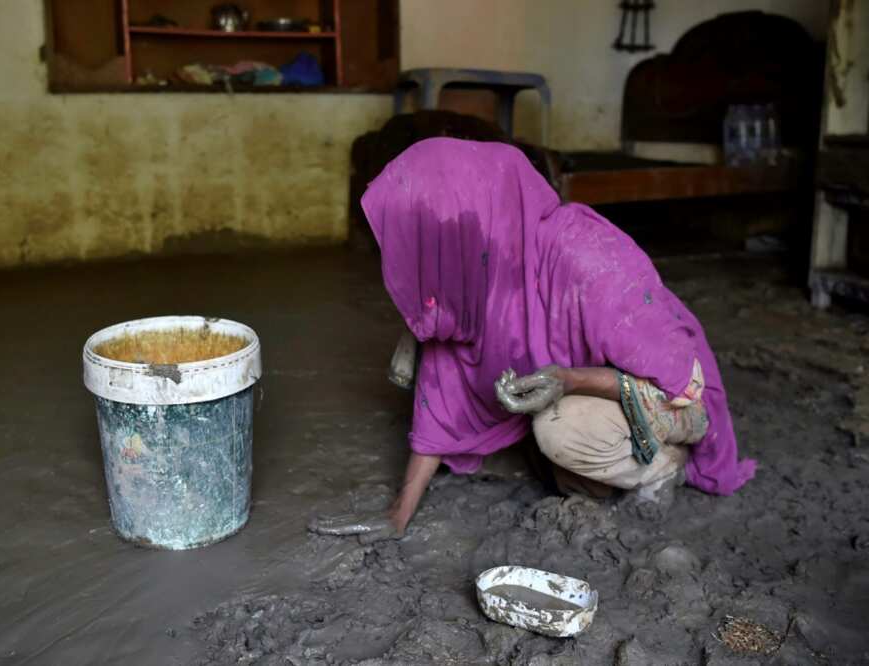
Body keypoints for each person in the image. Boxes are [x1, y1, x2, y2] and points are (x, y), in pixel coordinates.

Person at [310, 138, 755, 543]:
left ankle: (662, 468)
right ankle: (595, 463)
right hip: (591, 394)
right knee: (421, 339)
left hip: (674, 399)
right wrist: (398, 515)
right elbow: (438, 402)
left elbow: (682, 386)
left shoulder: (586, 255)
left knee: (561, 430)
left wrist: (568, 379)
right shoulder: (473, 280)